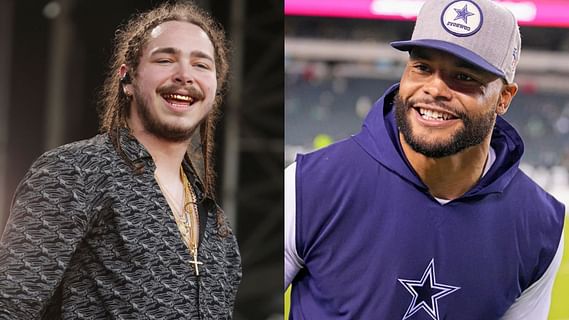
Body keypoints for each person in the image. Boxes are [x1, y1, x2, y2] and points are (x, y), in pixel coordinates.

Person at [285, 0, 565, 319]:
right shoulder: (308, 184)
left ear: (504, 98)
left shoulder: (541, 224)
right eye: (422, 68)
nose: (434, 88)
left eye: (464, 76)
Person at [0, 2, 241, 319]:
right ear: (128, 80)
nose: (184, 75)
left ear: (214, 91)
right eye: (166, 59)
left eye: (201, 65)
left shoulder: (219, 231)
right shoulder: (77, 171)